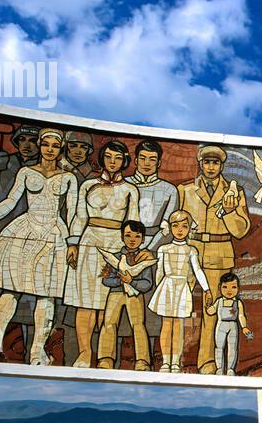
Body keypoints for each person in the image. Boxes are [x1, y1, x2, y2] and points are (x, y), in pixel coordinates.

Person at [0, 128, 79, 365]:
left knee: (46, 294)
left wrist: (73, 242)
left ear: (60, 149)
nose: (49, 150)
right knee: (10, 289)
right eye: (45, 144)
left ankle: (37, 351)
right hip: (25, 231)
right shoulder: (26, 172)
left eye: (55, 146)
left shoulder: (68, 178)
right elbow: (10, 201)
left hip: (54, 233)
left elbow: (74, 212)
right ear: (39, 146)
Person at [65, 141, 141, 367]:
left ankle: (102, 354)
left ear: (124, 161)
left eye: (117, 158)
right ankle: (84, 352)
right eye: (108, 157)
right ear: (102, 159)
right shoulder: (88, 185)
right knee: (85, 301)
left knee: (106, 303)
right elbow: (79, 216)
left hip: (115, 244)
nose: (112, 162)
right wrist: (73, 243)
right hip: (90, 240)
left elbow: (133, 223)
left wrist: (129, 253)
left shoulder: (130, 190)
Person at [177, 145, 251, 373]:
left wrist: (229, 212)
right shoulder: (185, 190)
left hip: (220, 252)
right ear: (200, 163)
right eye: (207, 162)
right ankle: (173, 359)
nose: (211, 167)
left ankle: (208, 363)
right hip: (190, 250)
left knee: (213, 310)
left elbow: (241, 229)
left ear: (222, 165)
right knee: (178, 306)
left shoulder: (233, 191)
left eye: (215, 163)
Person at [149, 210, 210, 372]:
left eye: (184, 226)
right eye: (175, 226)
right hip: (167, 287)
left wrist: (206, 288)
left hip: (182, 288)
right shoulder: (164, 248)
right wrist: (159, 290)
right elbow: (159, 272)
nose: (180, 230)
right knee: (166, 325)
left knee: (178, 326)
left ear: (190, 228)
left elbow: (197, 271)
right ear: (170, 228)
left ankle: (175, 361)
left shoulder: (191, 250)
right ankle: (165, 361)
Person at [97, 220, 156, 370]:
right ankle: (106, 358)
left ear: (142, 239)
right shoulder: (114, 257)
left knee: (138, 325)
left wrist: (132, 282)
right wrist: (120, 280)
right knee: (109, 323)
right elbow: (106, 279)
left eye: (137, 237)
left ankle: (142, 361)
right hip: (116, 294)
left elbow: (147, 283)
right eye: (128, 235)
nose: (132, 240)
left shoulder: (145, 259)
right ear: (122, 237)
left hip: (135, 296)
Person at [203, 272, 253, 375]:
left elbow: (241, 315)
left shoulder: (238, 302)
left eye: (233, 287)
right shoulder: (219, 301)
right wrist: (207, 304)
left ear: (238, 288)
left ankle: (230, 369)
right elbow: (210, 311)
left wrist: (244, 327)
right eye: (225, 287)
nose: (229, 291)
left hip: (233, 326)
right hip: (221, 325)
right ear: (219, 287)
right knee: (219, 347)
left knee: (232, 348)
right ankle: (219, 368)